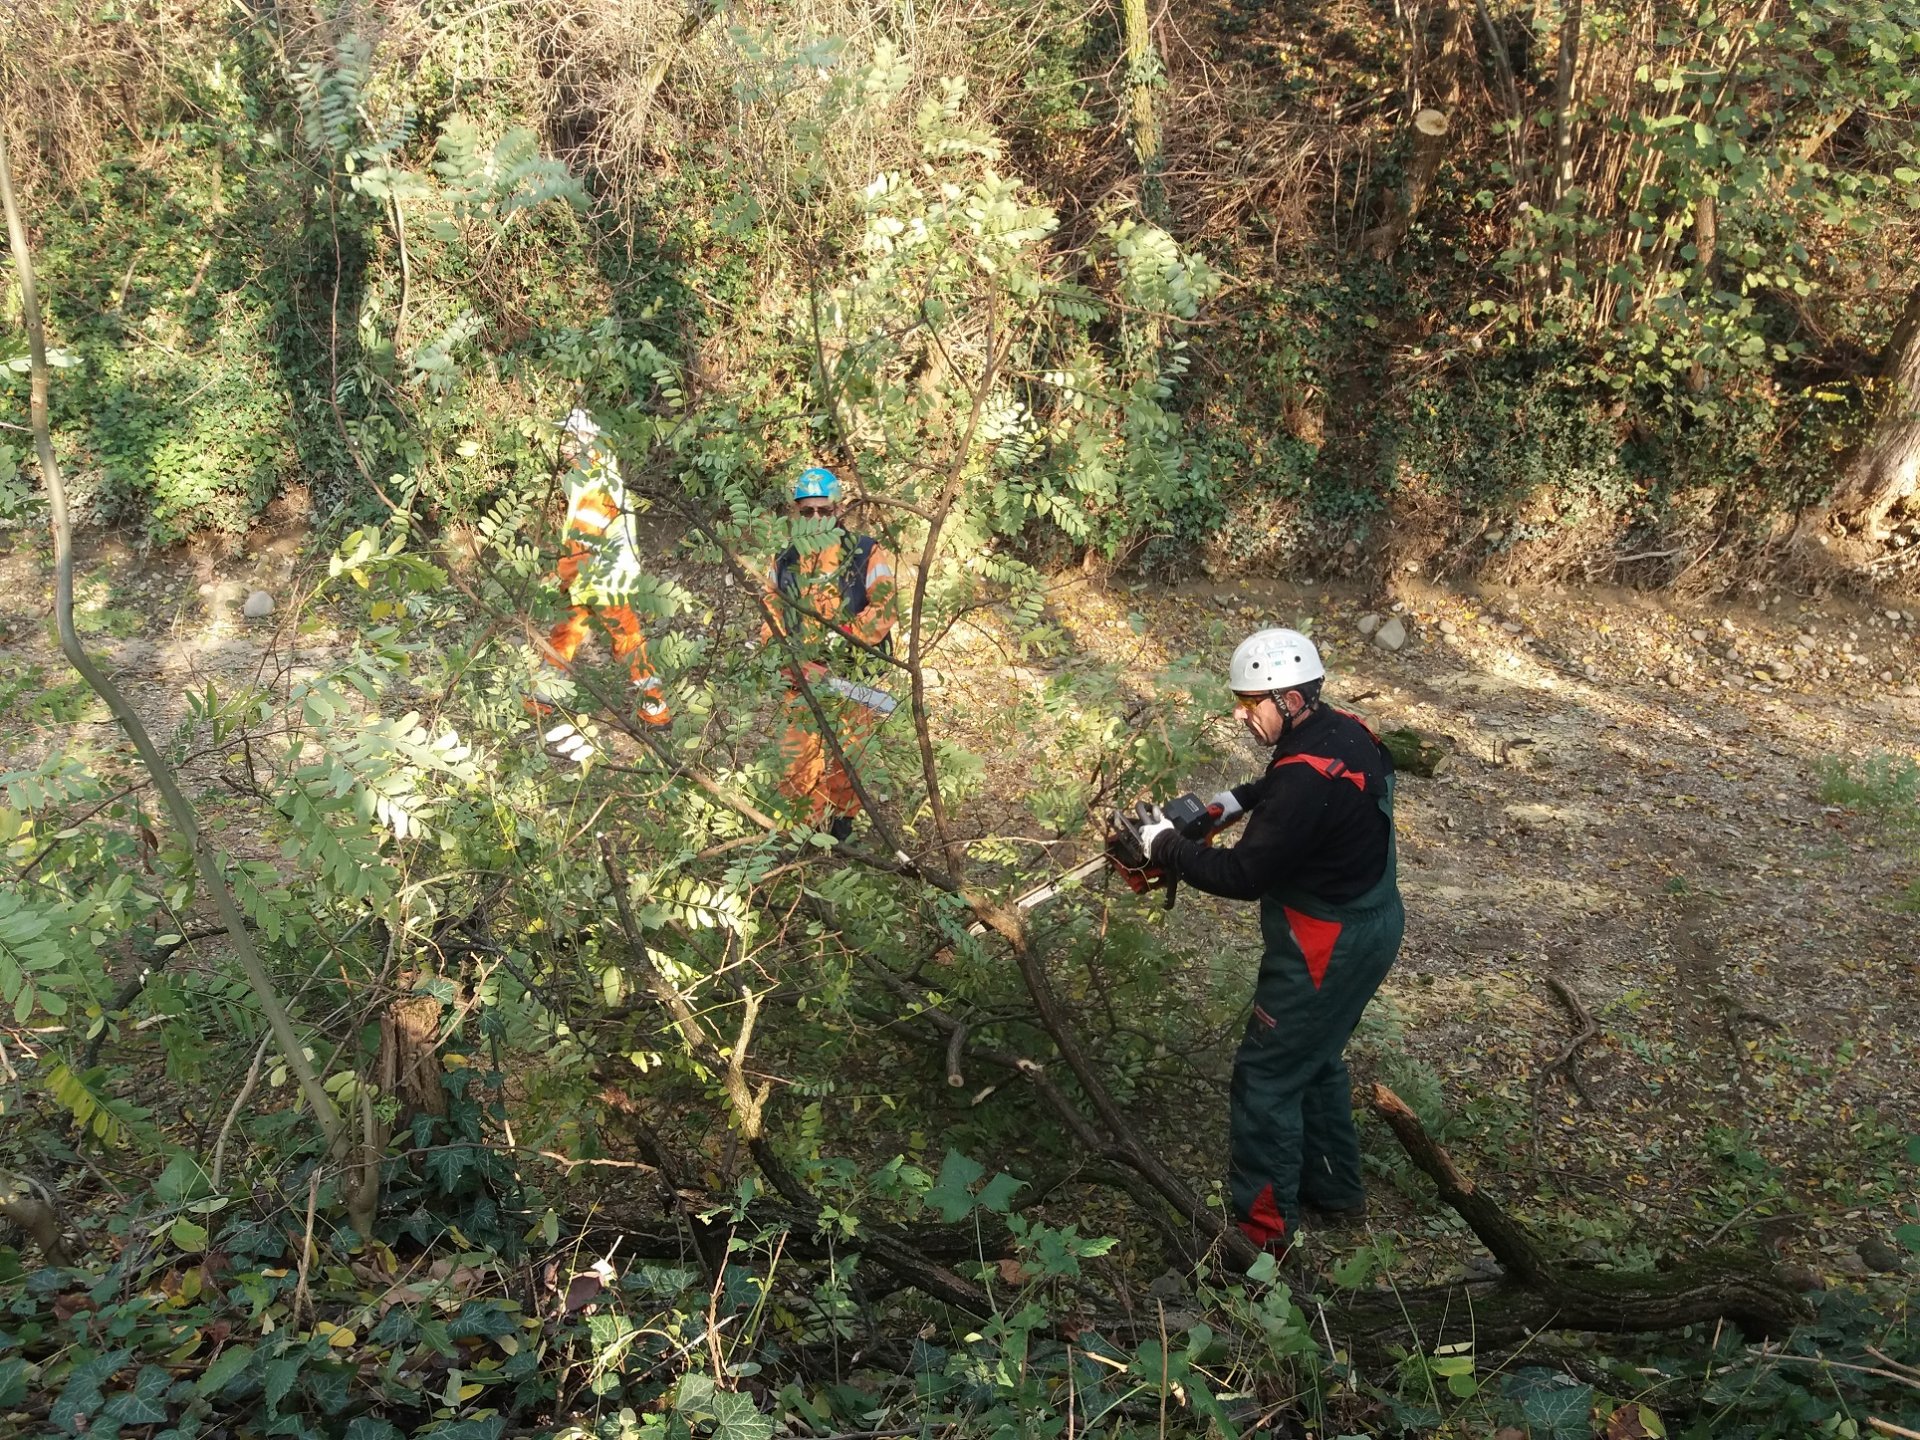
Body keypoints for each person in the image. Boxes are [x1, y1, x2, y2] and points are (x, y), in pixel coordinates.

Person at [1139, 627, 1403, 1261]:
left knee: (1265, 1079)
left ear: (1288, 697)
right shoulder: (1344, 731)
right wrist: (1226, 805)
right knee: (1316, 1059)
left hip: (1324, 945)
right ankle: (1335, 1192)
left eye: (1249, 701)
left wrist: (1165, 847)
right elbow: (1282, 783)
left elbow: (1242, 876)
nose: (1240, 713)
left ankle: (1260, 1240)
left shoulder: (1304, 778)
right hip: (1372, 924)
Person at [763, 465, 898, 841]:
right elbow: (769, 616)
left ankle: (842, 831)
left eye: (824, 510)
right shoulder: (784, 561)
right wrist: (783, 659)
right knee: (797, 763)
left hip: (849, 678)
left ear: (838, 510)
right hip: (799, 680)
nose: (816, 518)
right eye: (808, 512)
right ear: (797, 513)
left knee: (849, 759)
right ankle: (804, 832)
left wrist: (839, 646)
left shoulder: (865, 553)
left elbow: (884, 610)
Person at [530, 408, 672, 763]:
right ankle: (541, 701)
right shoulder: (592, 471)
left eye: (567, 438)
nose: (561, 445)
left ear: (584, 439)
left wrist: (558, 576)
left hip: (603, 577)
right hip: (593, 576)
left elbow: (586, 540)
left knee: (625, 640)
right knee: (565, 634)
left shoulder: (593, 478)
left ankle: (654, 709)